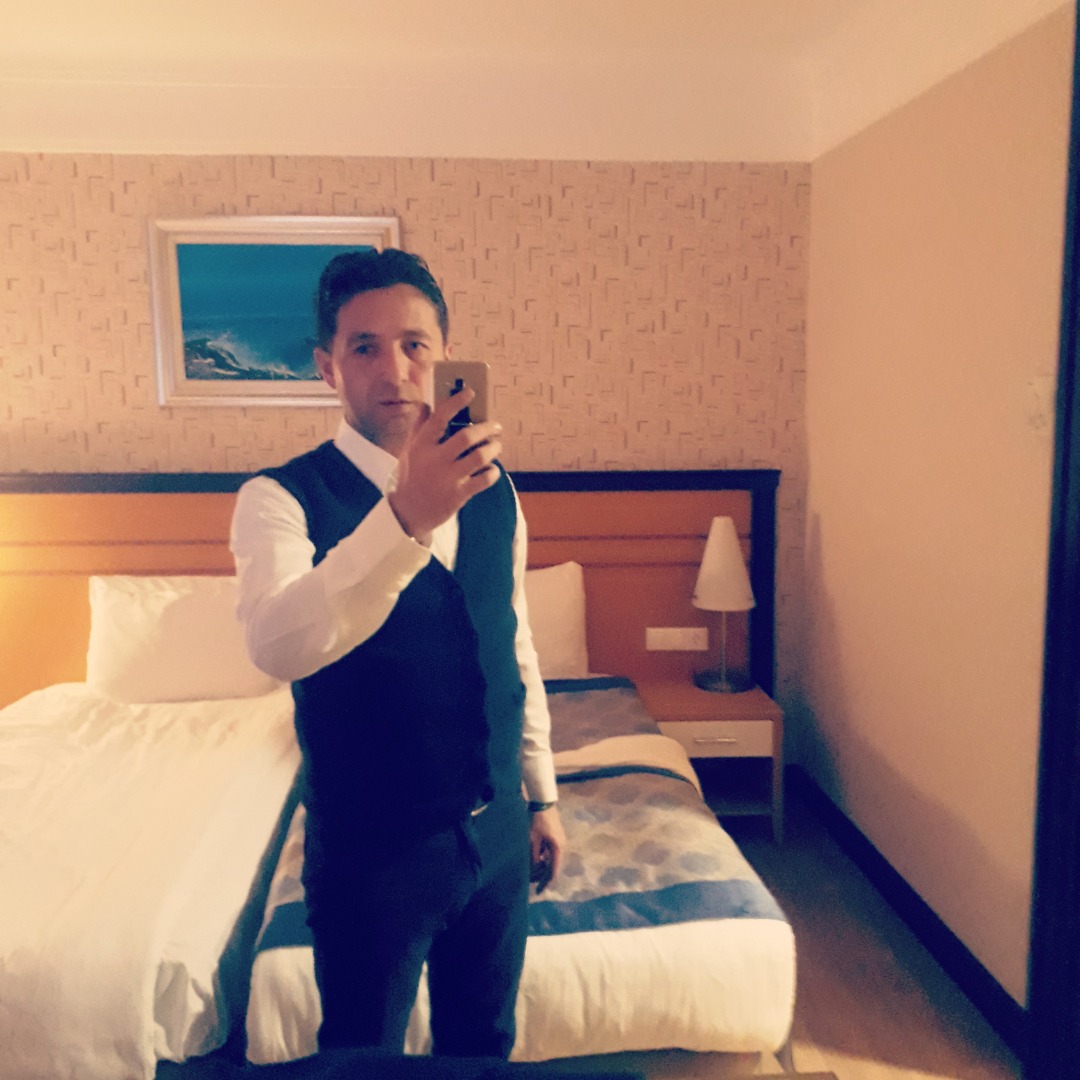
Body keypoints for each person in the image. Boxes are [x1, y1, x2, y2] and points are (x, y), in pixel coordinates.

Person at [230, 248, 566, 1060]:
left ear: (444, 355)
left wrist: (542, 792)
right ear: (327, 366)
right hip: (370, 853)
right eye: (365, 346)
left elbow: (511, 639)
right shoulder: (278, 498)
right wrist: (404, 517)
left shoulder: (495, 487)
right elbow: (278, 645)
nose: (395, 369)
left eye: (415, 344)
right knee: (360, 1056)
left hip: (497, 832)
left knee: (483, 1050)